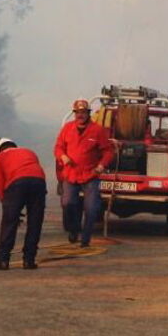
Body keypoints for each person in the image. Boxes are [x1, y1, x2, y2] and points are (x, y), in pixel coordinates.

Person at [54, 98, 114, 247]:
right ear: (74, 113)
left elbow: (108, 151)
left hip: (90, 174)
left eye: (83, 112)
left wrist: (101, 165)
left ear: (88, 113)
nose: (80, 115)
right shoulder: (67, 129)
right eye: (78, 112)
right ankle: (73, 230)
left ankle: (85, 239)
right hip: (71, 174)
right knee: (67, 203)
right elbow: (58, 147)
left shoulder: (97, 130)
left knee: (92, 207)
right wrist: (63, 156)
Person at [0, 137, 47, 270]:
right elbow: (35, 169)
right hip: (38, 182)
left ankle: (3, 260)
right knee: (35, 222)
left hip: (16, 183)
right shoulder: (29, 152)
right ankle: (29, 260)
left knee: (9, 223)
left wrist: (7, 205)